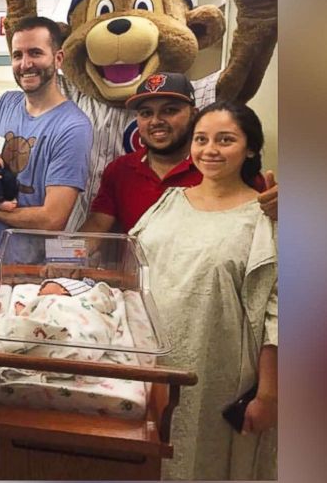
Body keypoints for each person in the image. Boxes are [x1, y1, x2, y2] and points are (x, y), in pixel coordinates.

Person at [130, 100, 277, 479]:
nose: (210, 150)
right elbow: (130, 268)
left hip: (218, 374)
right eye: (201, 139)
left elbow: (277, 314)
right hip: (148, 367)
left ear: (251, 148)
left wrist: (269, 394)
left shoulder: (264, 219)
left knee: (200, 462)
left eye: (225, 140)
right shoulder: (169, 203)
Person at [0, 16, 93, 336]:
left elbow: (51, 219)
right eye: (17, 55)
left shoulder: (72, 127)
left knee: (13, 374)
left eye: (35, 53)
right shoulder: (5, 104)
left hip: (26, 277)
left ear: (57, 59)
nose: (25, 64)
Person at [81, 72, 278, 234]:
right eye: (146, 113)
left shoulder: (219, 165)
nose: (156, 121)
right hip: (135, 279)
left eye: (169, 110)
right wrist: (66, 258)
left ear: (194, 114)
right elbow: (98, 226)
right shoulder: (120, 170)